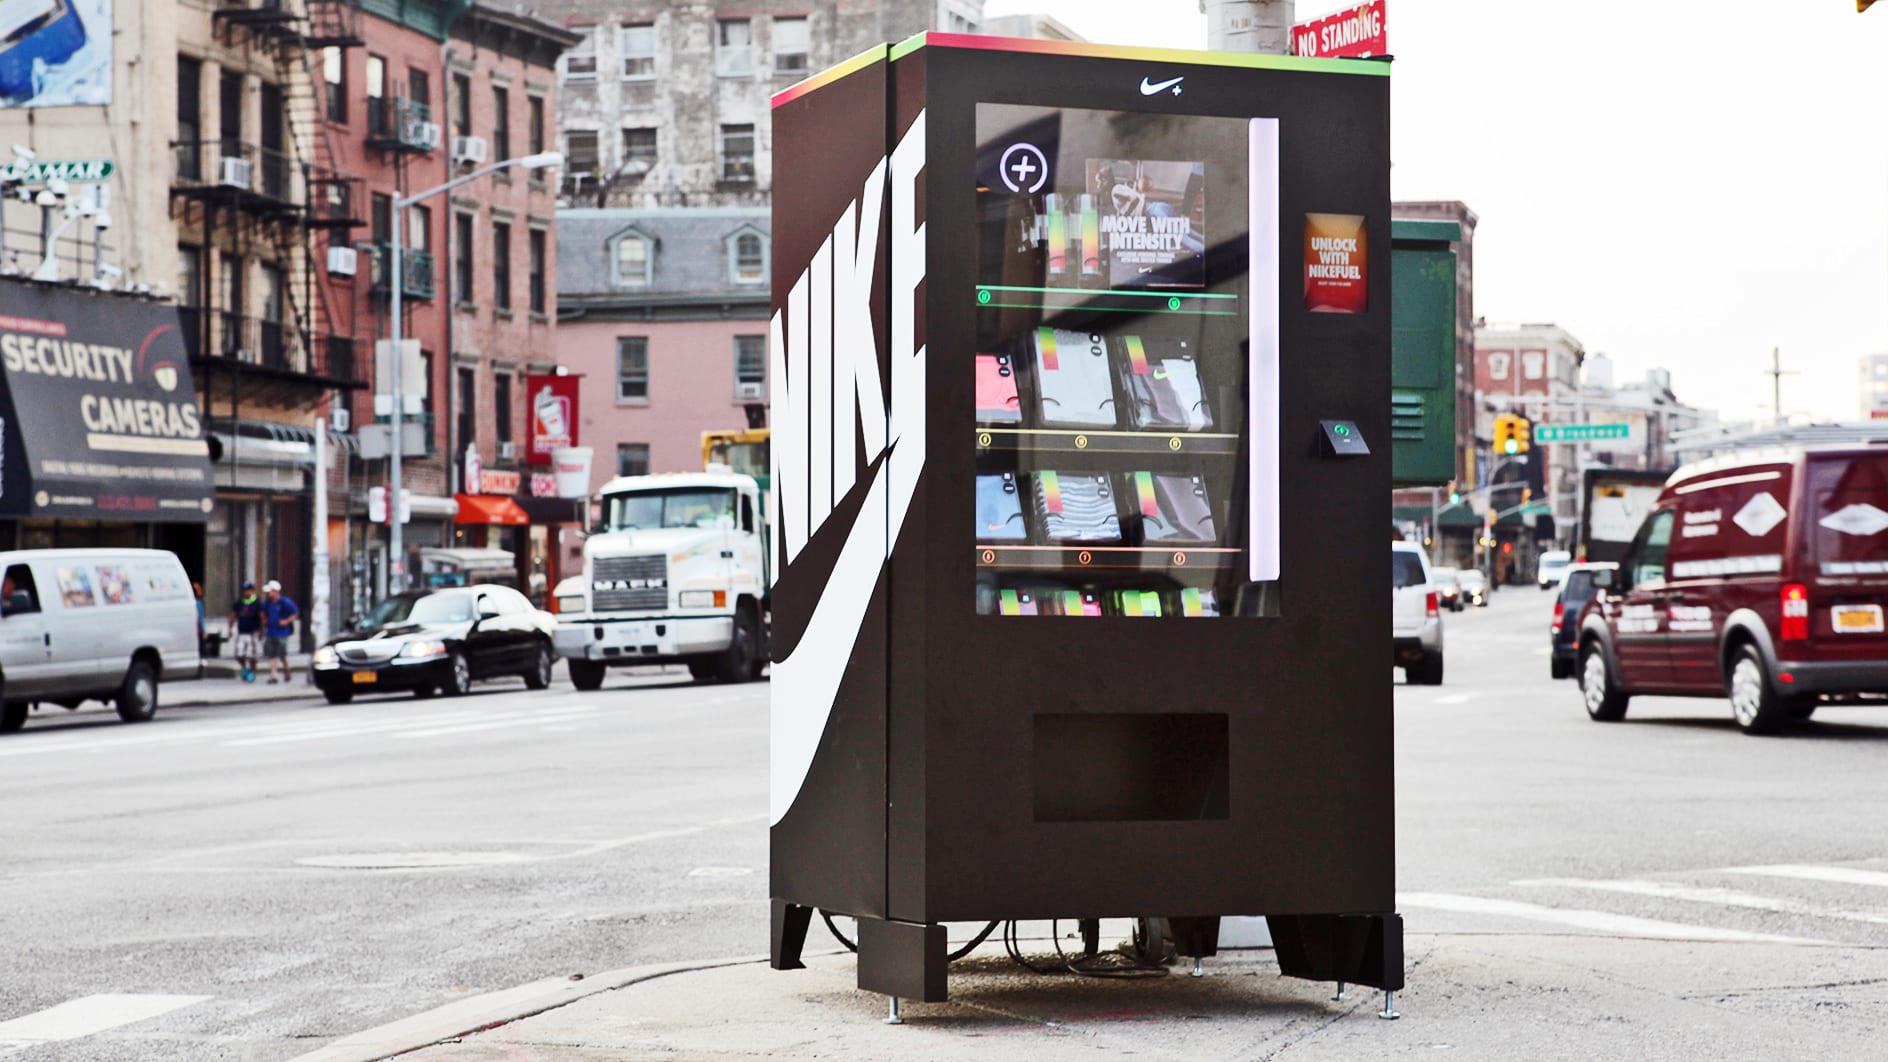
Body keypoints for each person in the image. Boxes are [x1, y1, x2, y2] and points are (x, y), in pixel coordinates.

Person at [261, 579, 300, 685]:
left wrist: (286, 621)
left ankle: (286, 670)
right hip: (271, 631)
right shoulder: (268, 603)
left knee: (282, 654)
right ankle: (273, 675)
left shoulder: (284, 602)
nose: (268, 594)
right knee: (271, 655)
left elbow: (295, 613)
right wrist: (264, 621)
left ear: (276, 591)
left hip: (282, 632)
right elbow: (264, 614)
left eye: (270, 591)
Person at [229, 580, 265, 683]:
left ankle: (252, 671)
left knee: (253, 655)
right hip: (242, 632)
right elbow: (233, 615)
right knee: (239, 653)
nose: (246, 593)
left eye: (248, 590)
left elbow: (262, 617)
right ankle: (244, 667)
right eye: (245, 591)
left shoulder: (257, 603)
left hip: (253, 632)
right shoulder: (239, 603)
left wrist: (262, 631)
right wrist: (230, 629)